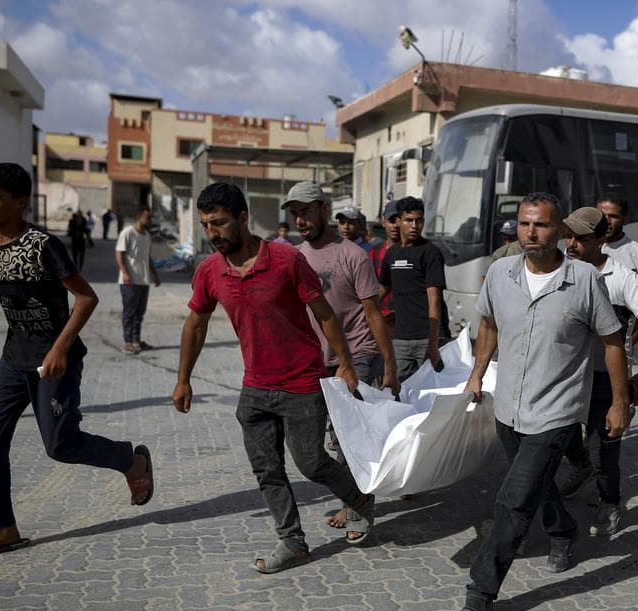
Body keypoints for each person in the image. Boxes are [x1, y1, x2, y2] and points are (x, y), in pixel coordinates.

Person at [0, 162, 153, 560]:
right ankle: (4, 530)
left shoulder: (43, 245)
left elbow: (87, 298)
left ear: (20, 202)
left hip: (56, 361)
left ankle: (131, 461)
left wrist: (58, 349)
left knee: (60, 446)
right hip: (13, 360)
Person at [172, 182, 376, 573]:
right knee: (267, 470)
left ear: (243, 219)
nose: (213, 233)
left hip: (301, 382)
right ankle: (293, 542)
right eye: (206, 225)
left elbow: (325, 315)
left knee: (312, 464)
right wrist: (184, 378)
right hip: (255, 385)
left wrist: (346, 364)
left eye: (220, 223)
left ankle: (360, 498)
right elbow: (196, 323)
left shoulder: (286, 260)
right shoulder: (210, 271)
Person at [456, 192, 629, 611]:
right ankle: (563, 529)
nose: (532, 232)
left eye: (543, 225)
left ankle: (481, 592)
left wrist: (619, 402)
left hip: (556, 411)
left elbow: (612, 341)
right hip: (509, 405)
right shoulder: (499, 273)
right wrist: (477, 373)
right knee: (532, 485)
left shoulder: (585, 280)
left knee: (512, 500)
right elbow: (489, 324)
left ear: (561, 232)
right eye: (525, 224)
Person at [284, 181, 400, 533]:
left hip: (357, 353)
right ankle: (353, 497)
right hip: (314, 360)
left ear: (324, 208)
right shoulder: (295, 256)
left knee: (349, 436)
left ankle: (357, 509)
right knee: (317, 442)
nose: (300, 220)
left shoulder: (353, 254)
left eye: (306, 211)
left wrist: (390, 366)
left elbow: (373, 313)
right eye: (295, 214)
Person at [558, 206, 638, 535]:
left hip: (606, 380)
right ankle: (573, 474)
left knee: (603, 452)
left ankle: (609, 502)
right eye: (569, 236)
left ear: (602, 239)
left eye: (581, 237)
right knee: (551, 439)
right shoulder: (558, 270)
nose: (572, 244)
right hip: (562, 377)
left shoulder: (621, 277)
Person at [378, 196, 449, 382]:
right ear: (398, 221)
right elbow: (381, 290)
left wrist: (433, 345)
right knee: (397, 392)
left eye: (419, 220)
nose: (415, 225)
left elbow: (434, 301)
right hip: (401, 339)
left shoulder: (430, 252)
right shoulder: (391, 254)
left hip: (429, 337)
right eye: (409, 220)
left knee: (432, 393)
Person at [115, 207, 161, 355]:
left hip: (143, 280)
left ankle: (136, 340)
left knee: (140, 312)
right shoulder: (127, 233)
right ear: (139, 217)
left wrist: (155, 275)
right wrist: (125, 272)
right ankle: (128, 343)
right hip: (129, 281)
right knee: (129, 312)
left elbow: (148, 257)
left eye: (150, 217)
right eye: (147, 217)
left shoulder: (147, 235)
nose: (149, 220)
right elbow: (119, 254)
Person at [597, 192, 638, 286]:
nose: (606, 221)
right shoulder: (581, 249)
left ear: (625, 219)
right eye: (601, 216)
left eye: (613, 216)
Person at [369, 200, 401, 327]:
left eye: (399, 221)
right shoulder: (373, 255)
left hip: (409, 322)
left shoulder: (416, 254)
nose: (395, 226)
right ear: (383, 222)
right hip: (382, 321)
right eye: (391, 221)